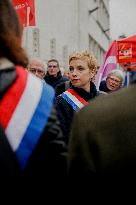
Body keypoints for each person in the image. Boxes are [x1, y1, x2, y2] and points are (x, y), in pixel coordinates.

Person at [0, 0, 66, 178]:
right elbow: (56, 165)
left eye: (41, 71)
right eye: (33, 70)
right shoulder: (34, 92)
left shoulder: (36, 92)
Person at [68, 76, 136, 179]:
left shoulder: (93, 110)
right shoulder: (92, 111)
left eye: (116, 81)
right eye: (111, 79)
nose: (75, 74)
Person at [55, 51, 99, 144]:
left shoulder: (102, 99)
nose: (73, 73)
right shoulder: (61, 101)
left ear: (92, 72)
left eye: (80, 69)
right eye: (71, 69)